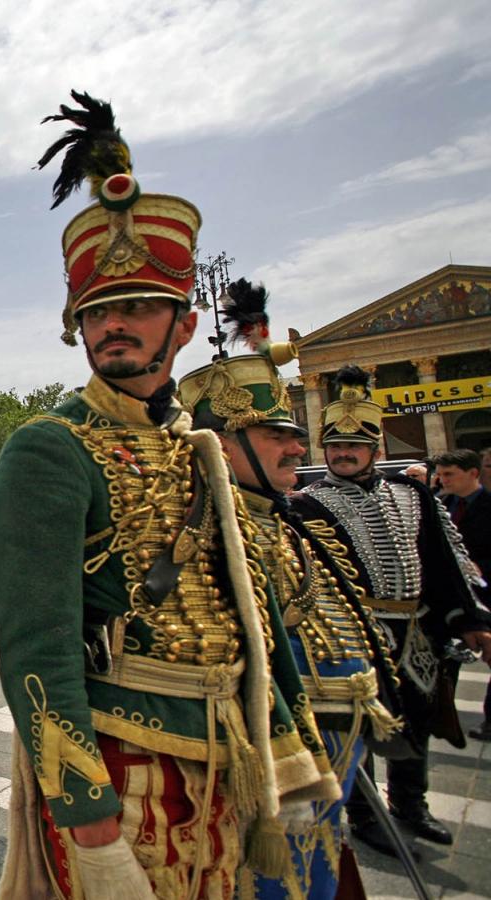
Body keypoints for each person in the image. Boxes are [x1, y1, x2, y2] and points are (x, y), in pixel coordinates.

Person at [0, 92, 337, 899]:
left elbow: (248, 612)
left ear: (182, 325)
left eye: (139, 305)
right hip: (124, 760)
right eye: (99, 309)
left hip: (230, 755)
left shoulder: (198, 443)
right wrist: (88, 818)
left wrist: (292, 744)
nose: (116, 323)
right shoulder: (50, 446)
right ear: (77, 323)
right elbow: (36, 654)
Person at [177, 279, 403, 899]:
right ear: (222, 446)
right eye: (279, 436)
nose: (300, 447)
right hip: (269, 765)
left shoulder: (295, 518)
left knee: (320, 875)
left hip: (335, 753)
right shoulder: (194, 535)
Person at [290, 367, 491, 855]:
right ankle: (365, 815)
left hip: (416, 630)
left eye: (352, 448)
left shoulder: (412, 494)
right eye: (334, 447)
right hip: (351, 632)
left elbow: (443, 559)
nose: (341, 454)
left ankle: (410, 803)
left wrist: (470, 618)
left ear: (373, 450)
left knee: (418, 717)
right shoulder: (304, 505)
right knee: (358, 724)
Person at [434, 448, 491, 740]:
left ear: (472, 473)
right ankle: (442, 713)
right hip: (450, 602)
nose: (442, 480)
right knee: (447, 660)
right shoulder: (439, 505)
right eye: (440, 474)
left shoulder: (488, 506)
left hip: (486, 597)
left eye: (449, 474)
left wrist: (476, 568)